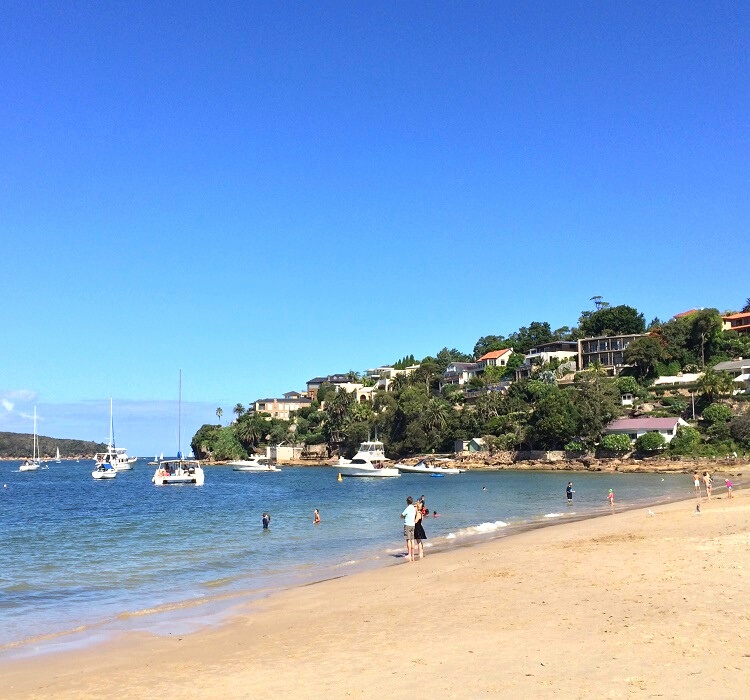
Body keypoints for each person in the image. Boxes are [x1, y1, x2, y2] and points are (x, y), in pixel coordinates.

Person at [401, 496, 416, 562]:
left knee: (408, 539)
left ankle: (409, 554)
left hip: (407, 525)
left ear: (407, 502)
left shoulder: (407, 508)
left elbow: (402, 515)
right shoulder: (413, 508)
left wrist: (403, 517)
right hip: (413, 525)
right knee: (412, 539)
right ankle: (412, 554)